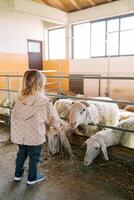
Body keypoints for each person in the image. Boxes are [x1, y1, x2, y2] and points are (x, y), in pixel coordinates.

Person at [11, 69, 63, 185]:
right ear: (40, 84)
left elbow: (14, 115)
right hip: (35, 136)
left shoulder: (19, 99)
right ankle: (32, 177)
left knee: (21, 153)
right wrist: (59, 126)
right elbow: (52, 118)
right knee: (34, 157)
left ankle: (17, 174)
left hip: (20, 135)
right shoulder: (44, 102)